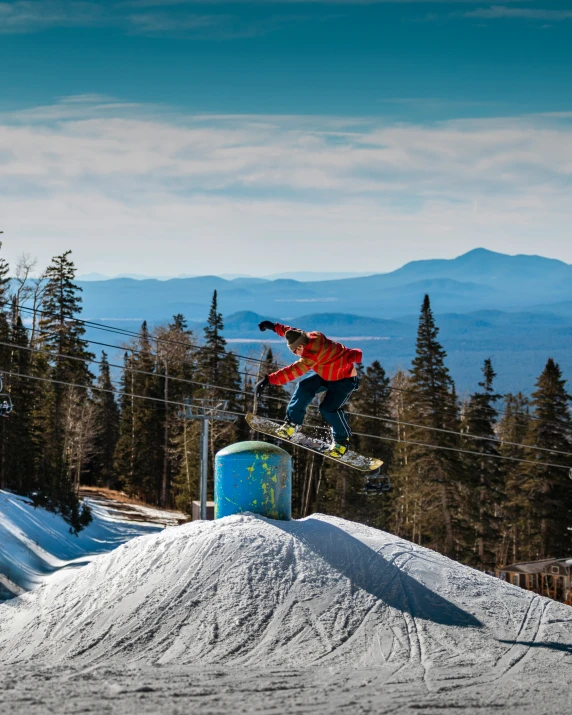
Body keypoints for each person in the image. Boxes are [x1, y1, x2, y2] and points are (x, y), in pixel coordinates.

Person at [255, 320, 362, 458]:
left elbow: (292, 371)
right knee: (304, 387)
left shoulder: (312, 355)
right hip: (325, 373)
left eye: (295, 351)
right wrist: (272, 327)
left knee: (328, 409)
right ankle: (292, 423)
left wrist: (268, 380)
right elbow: (291, 331)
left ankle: (342, 441)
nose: (296, 354)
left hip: (344, 379)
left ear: (300, 346)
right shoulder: (310, 336)